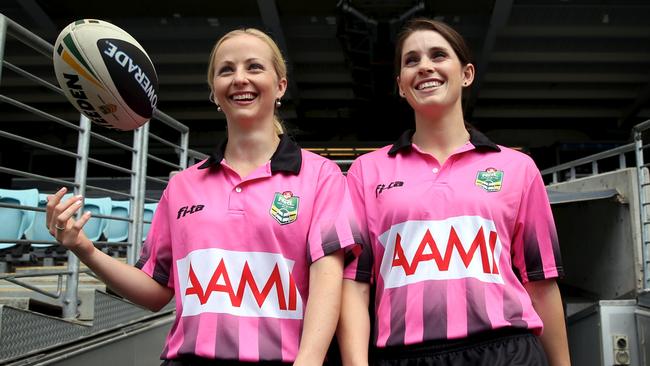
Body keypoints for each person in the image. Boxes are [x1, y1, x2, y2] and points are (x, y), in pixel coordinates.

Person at [46, 28, 360, 365]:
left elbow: (329, 282)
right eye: (226, 70)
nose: (240, 78)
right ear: (214, 92)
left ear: (281, 85)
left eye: (254, 67)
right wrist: (85, 249)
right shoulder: (182, 185)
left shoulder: (321, 175)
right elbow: (155, 292)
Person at [337, 18, 570, 366]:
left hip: (507, 352)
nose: (425, 66)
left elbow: (542, 283)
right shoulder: (365, 172)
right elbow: (355, 285)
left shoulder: (518, 167)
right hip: (406, 355)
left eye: (438, 55)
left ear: (466, 74)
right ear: (400, 84)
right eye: (411, 60)